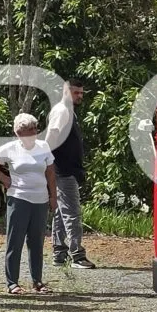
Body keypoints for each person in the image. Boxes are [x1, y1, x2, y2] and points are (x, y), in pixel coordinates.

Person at [0, 113, 57, 294]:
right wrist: (4, 179)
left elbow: (50, 173)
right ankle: (12, 282)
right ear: (18, 133)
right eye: (29, 130)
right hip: (18, 198)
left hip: (40, 200)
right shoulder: (10, 148)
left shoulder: (43, 147)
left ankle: (38, 281)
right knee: (15, 241)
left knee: (37, 242)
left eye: (35, 129)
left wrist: (53, 197)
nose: (34, 132)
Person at [45, 76, 93, 269]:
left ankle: (59, 254)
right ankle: (77, 256)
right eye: (75, 92)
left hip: (65, 169)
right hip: (63, 170)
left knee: (61, 212)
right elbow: (52, 136)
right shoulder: (62, 110)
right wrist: (45, 160)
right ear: (66, 91)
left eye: (81, 93)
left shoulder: (68, 111)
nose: (79, 96)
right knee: (72, 213)